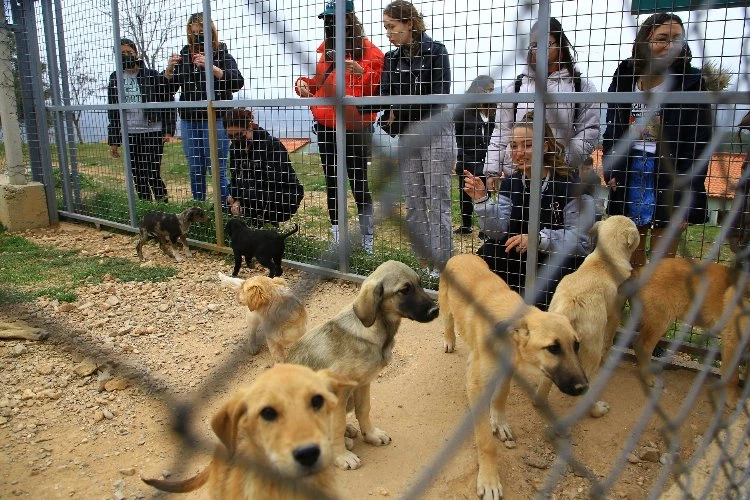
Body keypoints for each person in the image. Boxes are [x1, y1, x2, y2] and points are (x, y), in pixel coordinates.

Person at [602, 12, 714, 268]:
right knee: (631, 251)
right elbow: (613, 127)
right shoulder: (625, 76)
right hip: (631, 167)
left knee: (663, 262)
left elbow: (699, 144)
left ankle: (657, 291)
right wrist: (611, 167)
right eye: (662, 38)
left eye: (677, 39)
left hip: (670, 170)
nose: (670, 45)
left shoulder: (691, 83)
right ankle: (638, 293)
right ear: (645, 41)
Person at [464, 113, 594, 309]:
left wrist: (538, 239)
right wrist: (482, 200)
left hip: (556, 262)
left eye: (527, 145)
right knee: (486, 255)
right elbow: (497, 232)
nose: (519, 152)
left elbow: (582, 242)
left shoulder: (572, 186)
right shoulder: (511, 183)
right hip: (520, 259)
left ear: (545, 147)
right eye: (514, 146)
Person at [295, 0, 383, 253]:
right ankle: (337, 236)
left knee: (358, 182)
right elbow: (318, 83)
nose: (330, 23)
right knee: (332, 181)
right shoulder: (326, 52)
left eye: (335, 18)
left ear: (349, 18)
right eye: (327, 19)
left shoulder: (371, 52)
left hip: (355, 127)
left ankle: (367, 240)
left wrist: (360, 72)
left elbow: (377, 89)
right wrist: (303, 85)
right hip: (326, 126)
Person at [378, 0, 456, 277]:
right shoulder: (391, 58)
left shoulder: (436, 51)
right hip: (409, 135)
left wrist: (398, 110)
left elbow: (437, 98)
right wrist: (397, 109)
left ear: (409, 23)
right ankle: (424, 263)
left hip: (434, 132)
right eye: (385, 28)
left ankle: (443, 266)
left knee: (437, 200)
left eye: (392, 26)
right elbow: (385, 95)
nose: (388, 33)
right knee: (413, 201)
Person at [484, 17, 600, 187]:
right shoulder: (515, 88)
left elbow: (588, 132)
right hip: (519, 174)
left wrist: (561, 159)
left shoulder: (581, 87)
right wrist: (492, 171)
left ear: (560, 46)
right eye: (534, 45)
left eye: (547, 44)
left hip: (560, 176)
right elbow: (501, 132)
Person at [164, 12, 244, 203]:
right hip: (189, 120)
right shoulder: (184, 56)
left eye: (201, 32)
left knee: (217, 169)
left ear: (210, 32)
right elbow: (169, 89)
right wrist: (169, 70)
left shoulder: (222, 54)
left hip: (216, 119)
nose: (197, 36)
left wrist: (212, 67)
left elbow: (237, 82)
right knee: (195, 169)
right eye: (193, 33)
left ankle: (224, 209)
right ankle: (198, 210)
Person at [107, 38, 175, 202]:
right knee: (138, 175)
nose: (126, 55)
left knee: (152, 173)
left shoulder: (151, 75)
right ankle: (147, 208)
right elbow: (113, 110)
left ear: (136, 53)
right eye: (122, 53)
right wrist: (114, 140)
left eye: (129, 52)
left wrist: (168, 129)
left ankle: (163, 206)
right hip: (129, 133)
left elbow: (167, 99)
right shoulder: (115, 77)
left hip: (152, 131)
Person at [224, 108, 304, 227]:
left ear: (249, 127)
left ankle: (265, 225)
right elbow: (235, 178)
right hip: (251, 194)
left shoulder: (272, 145)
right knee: (223, 205)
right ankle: (253, 226)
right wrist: (235, 197)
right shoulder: (235, 149)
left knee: (251, 196)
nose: (236, 140)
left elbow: (274, 181)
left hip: (283, 196)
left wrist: (241, 198)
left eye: (239, 135)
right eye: (231, 136)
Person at [454, 75, 495, 235]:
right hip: (468, 157)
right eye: (488, 90)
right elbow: (456, 135)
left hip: (487, 157)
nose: (490, 93)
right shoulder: (462, 109)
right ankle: (466, 225)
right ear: (478, 88)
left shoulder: (494, 110)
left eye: (492, 90)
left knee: (485, 193)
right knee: (465, 192)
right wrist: (460, 156)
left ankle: (486, 228)